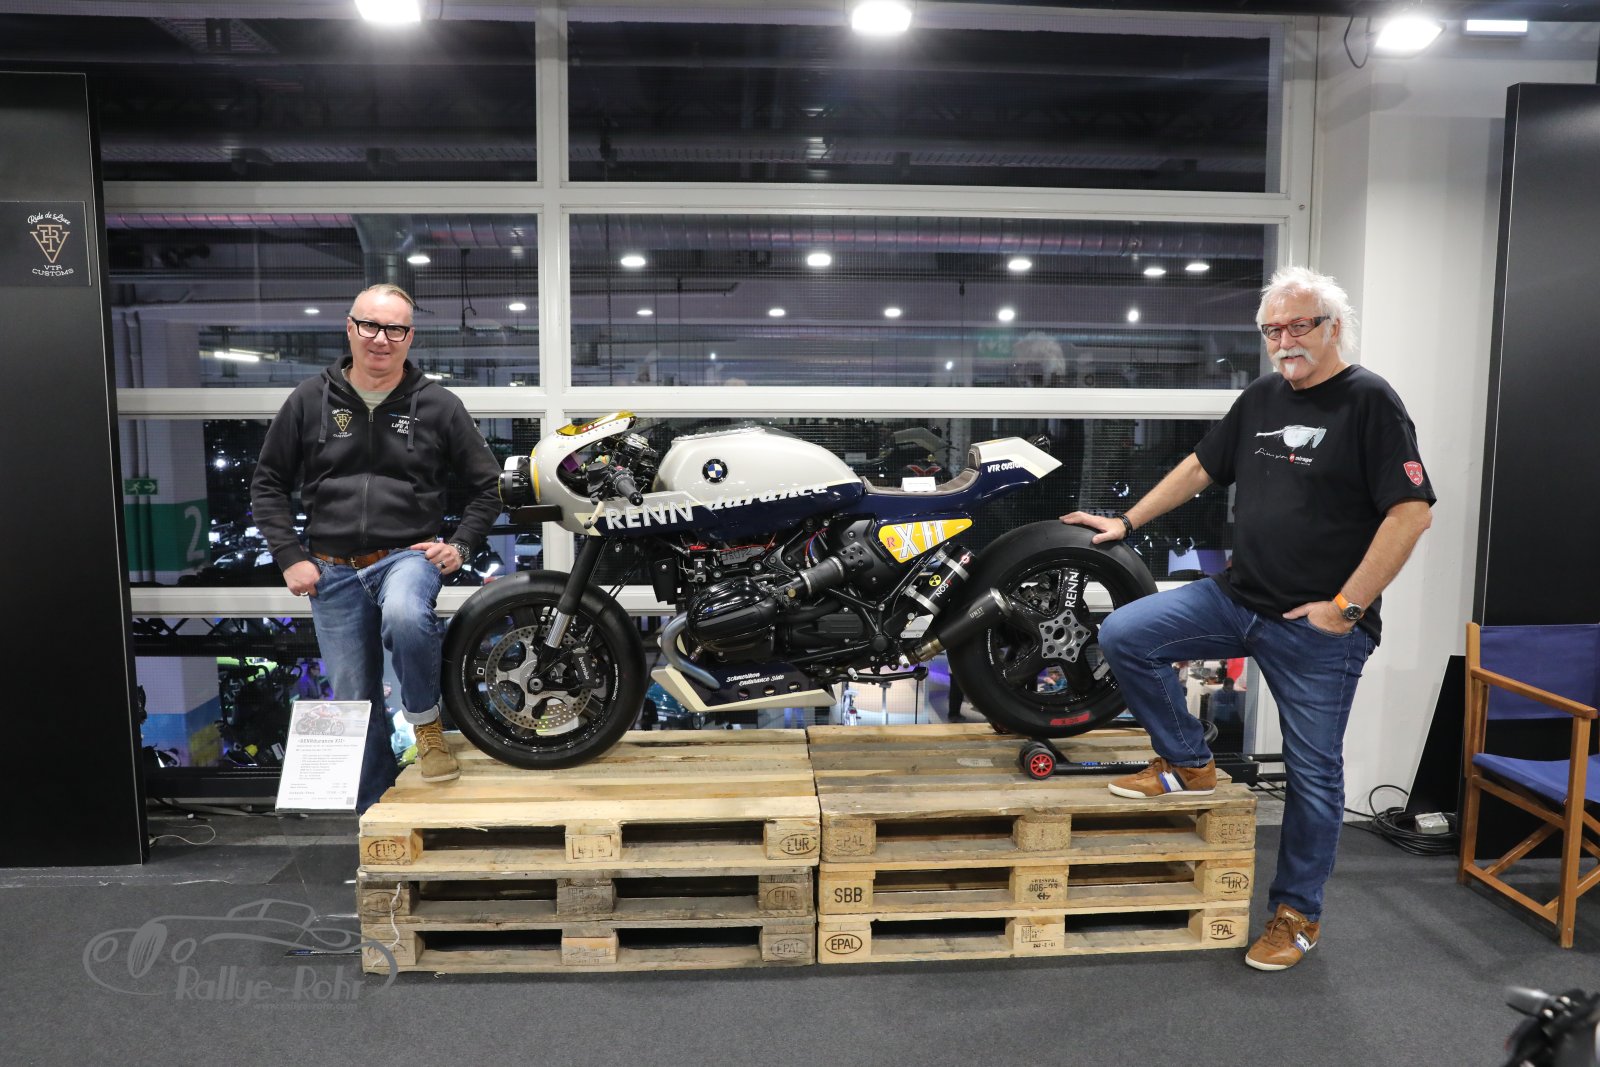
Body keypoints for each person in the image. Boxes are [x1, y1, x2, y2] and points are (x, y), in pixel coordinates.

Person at [1061, 266, 1434, 972]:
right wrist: (1127, 520)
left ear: (1332, 327)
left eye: (1298, 326)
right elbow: (1201, 466)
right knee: (1125, 634)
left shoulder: (1371, 402)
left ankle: (1297, 915)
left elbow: (1411, 514)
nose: (1284, 341)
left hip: (1317, 630)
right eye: (1272, 330)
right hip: (1238, 597)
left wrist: (1346, 607)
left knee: (1314, 776)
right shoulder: (1262, 396)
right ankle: (1189, 761)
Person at [251, 283, 502, 813]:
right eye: (370, 325)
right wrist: (290, 557)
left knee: (408, 617)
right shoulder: (308, 400)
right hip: (330, 568)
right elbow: (267, 483)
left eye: (394, 329)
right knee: (353, 700)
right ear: (350, 328)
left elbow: (488, 486)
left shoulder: (439, 405)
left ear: (410, 337)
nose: (381, 339)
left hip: (406, 556)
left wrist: (461, 545)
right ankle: (376, 814)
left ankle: (426, 724)